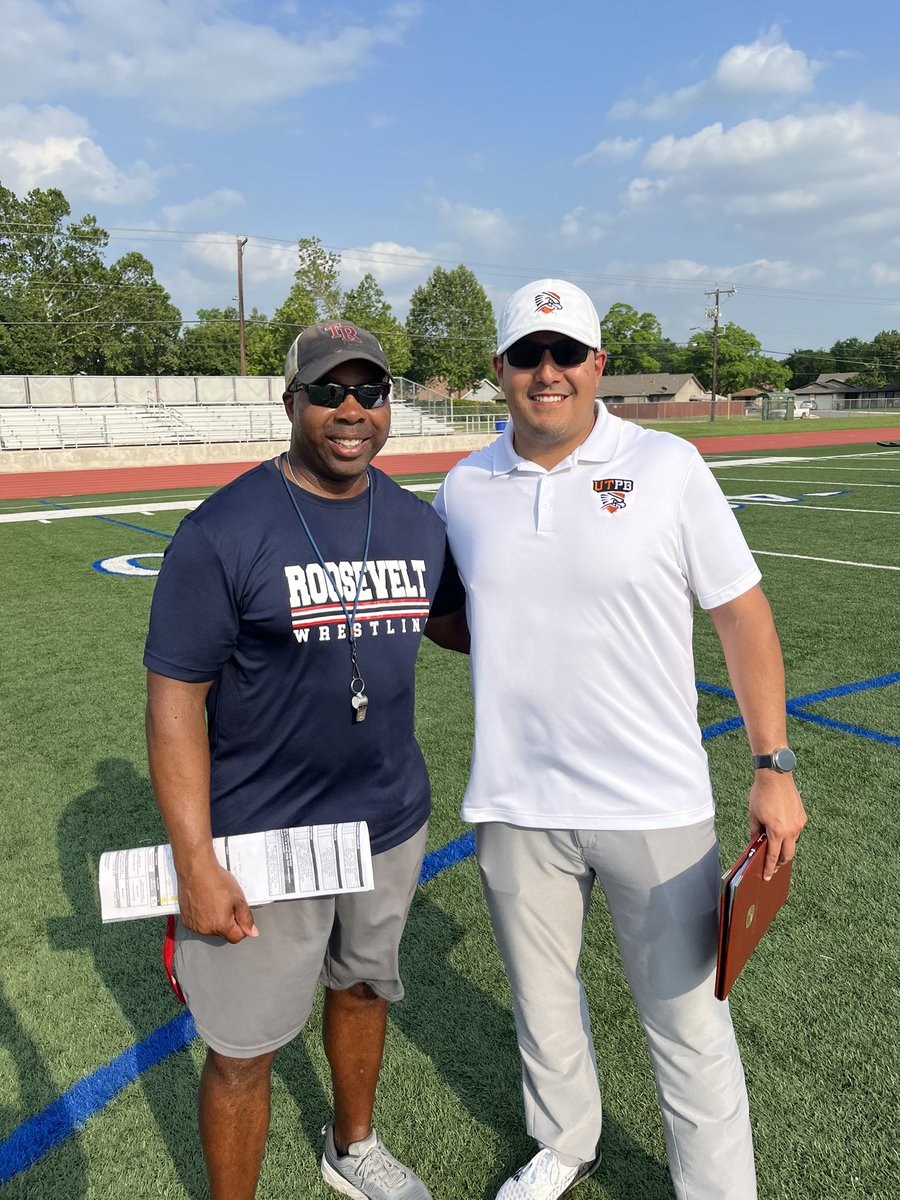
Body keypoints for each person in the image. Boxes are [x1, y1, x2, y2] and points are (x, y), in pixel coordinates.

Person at [427, 280, 807, 1200]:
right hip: (516, 801)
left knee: (688, 1022)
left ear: (599, 365)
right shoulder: (464, 485)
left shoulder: (669, 464)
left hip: (654, 802)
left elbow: (743, 616)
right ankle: (565, 1144)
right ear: (499, 371)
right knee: (543, 1006)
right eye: (527, 355)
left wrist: (773, 765)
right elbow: (452, 614)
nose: (546, 373)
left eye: (566, 354)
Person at [144, 321, 460, 1200]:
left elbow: (463, 625)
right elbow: (174, 701)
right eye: (328, 392)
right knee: (243, 1050)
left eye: (369, 392)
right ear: (291, 403)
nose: (351, 410)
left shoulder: (411, 519)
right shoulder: (223, 530)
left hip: (387, 824)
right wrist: (195, 859)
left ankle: (351, 1145)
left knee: (363, 989)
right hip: (263, 841)